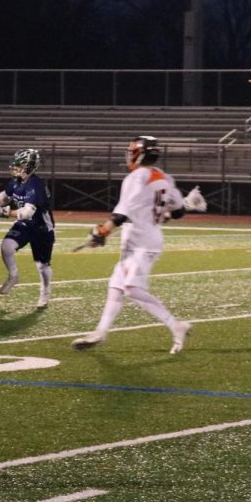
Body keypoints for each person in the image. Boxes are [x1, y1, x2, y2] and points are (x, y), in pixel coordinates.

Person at [71, 136, 193, 354]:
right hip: (143, 238)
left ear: (139, 154)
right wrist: (188, 204)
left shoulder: (136, 177)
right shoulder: (165, 177)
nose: (129, 155)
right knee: (116, 288)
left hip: (142, 242)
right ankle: (100, 332)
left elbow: (121, 213)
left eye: (131, 151)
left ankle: (176, 325)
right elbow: (176, 212)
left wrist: (102, 231)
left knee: (132, 289)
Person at [0, 148, 55, 308]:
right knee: (6, 246)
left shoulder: (35, 185)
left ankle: (45, 291)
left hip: (41, 228)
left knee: (42, 265)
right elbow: (4, 197)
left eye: (19, 165)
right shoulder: (16, 182)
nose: (15, 168)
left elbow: (27, 212)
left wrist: (4, 212)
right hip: (26, 226)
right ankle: (14, 275)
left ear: (29, 166)